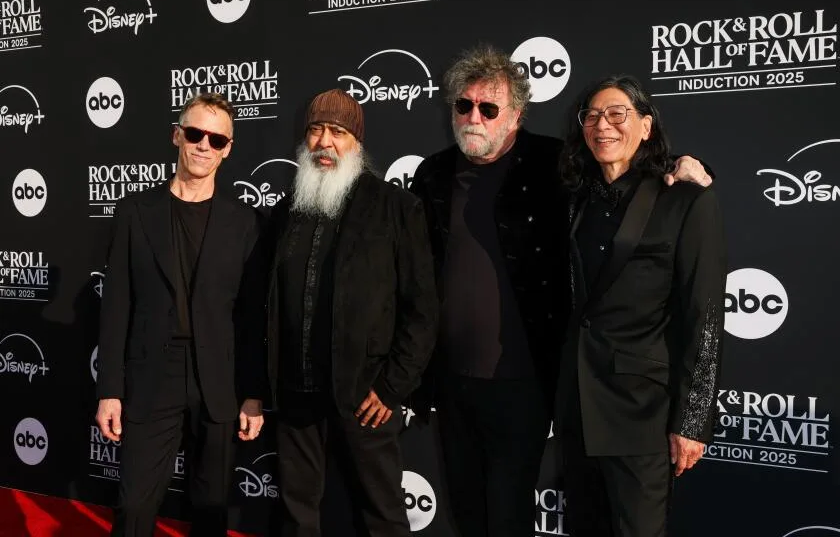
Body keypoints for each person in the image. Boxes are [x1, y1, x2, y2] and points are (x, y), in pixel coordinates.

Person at [409, 45, 713, 537]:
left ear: (516, 115)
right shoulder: (432, 174)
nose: (474, 117)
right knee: (467, 513)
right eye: (464, 105)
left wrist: (684, 165)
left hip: (529, 383)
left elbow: (627, 173)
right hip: (453, 383)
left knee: (509, 516)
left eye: (489, 108)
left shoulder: (553, 164)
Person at [554, 75, 726, 537]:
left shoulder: (685, 199)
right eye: (592, 116)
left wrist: (693, 420)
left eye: (617, 114)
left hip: (642, 412)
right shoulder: (576, 197)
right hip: (578, 407)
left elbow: (705, 316)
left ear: (646, 126)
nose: (602, 125)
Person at [266, 88, 438, 537]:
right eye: (316, 130)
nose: (324, 142)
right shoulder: (287, 210)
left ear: (356, 143)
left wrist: (391, 387)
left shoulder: (396, 207)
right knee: (296, 514)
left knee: (382, 516)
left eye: (337, 132)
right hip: (296, 392)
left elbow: (422, 309)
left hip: (366, 396)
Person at [95, 93, 267, 537]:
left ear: (228, 149)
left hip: (220, 377)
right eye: (195, 133)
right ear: (177, 136)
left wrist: (253, 394)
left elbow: (251, 319)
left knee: (210, 509)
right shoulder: (135, 211)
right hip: (154, 372)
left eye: (216, 139)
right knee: (134, 505)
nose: (204, 145)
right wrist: (109, 390)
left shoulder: (245, 221)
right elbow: (116, 306)